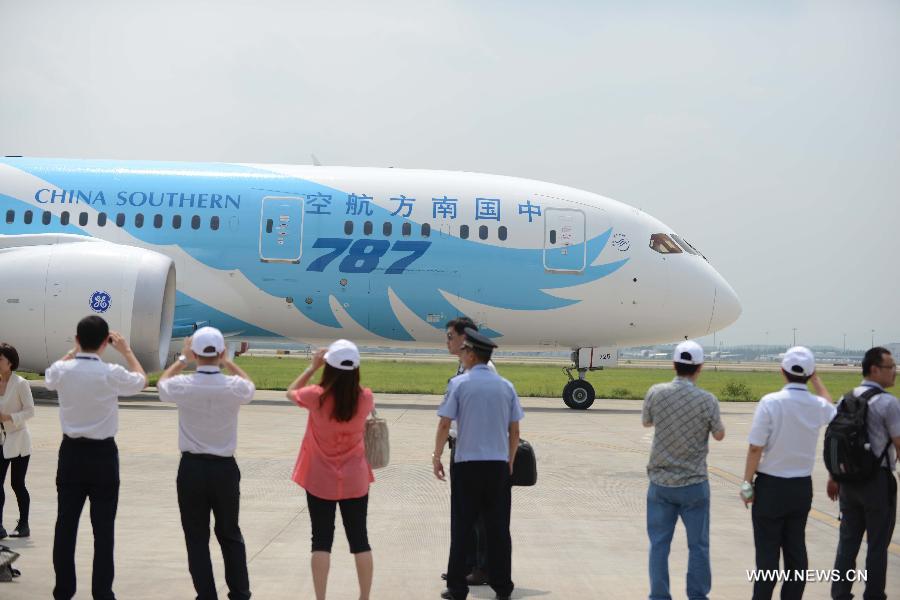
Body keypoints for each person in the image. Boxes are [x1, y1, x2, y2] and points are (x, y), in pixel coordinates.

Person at [44, 315, 146, 600]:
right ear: (106, 342)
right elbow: (140, 380)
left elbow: (50, 374)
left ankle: (64, 590)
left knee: (65, 525)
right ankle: (102, 592)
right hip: (103, 455)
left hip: (71, 454)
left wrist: (73, 351)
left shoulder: (63, 370)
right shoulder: (111, 371)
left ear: (77, 339)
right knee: (103, 530)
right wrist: (125, 351)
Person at [157, 327, 255, 600]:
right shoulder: (233, 386)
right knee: (230, 533)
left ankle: (207, 594)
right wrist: (228, 362)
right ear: (221, 352)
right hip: (224, 469)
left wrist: (182, 360)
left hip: (192, 469)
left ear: (194, 352)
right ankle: (240, 592)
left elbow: (162, 386)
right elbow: (249, 387)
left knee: (196, 538)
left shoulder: (184, 384)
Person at [433, 328, 522, 600]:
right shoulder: (506, 386)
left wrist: (436, 456)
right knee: (498, 529)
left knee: (462, 528)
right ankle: (503, 587)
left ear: (471, 354)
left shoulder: (459, 384)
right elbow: (514, 430)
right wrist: (510, 460)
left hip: (467, 464)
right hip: (497, 466)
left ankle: (458, 588)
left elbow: (445, 423)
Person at [741, 346, 835, 600]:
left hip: (770, 488)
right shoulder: (816, 405)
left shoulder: (771, 403)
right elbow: (831, 409)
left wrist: (746, 483)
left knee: (767, 559)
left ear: (782, 371)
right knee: (796, 553)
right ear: (810, 372)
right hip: (800, 489)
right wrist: (816, 379)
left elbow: (755, 447)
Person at [286, 339, 375, 600]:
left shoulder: (316, 396)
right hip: (355, 479)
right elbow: (352, 389)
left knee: (321, 541)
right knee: (360, 541)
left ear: (329, 367)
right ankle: (364, 597)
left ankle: (321, 597)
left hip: (320, 478)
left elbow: (291, 392)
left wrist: (312, 367)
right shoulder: (365, 398)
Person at [642, 340, 725, 600]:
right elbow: (719, 434)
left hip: (661, 481)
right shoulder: (706, 400)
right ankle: (697, 595)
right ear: (699, 368)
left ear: (673, 365)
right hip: (694, 484)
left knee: (659, 544)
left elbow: (647, 422)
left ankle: (659, 595)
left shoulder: (656, 392)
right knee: (698, 546)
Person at [828, 347, 900, 600]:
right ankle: (873, 594)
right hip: (877, 482)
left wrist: (834, 477)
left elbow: (838, 442)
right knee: (877, 545)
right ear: (874, 369)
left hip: (848, 483)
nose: (895, 372)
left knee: (847, 543)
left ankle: (840, 593)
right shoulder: (889, 403)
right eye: (891, 367)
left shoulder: (845, 399)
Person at [442, 317, 495, 590]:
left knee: (476, 517)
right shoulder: (465, 366)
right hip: (461, 448)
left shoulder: (483, 369)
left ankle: (481, 568)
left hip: (473, 451)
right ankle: (463, 564)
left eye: (451, 335)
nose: (447, 340)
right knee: (462, 514)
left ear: (466, 339)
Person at [0, 343, 35, 539]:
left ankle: (24, 525)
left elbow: (30, 411)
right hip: (1, 440)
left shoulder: (21, 383)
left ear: (10, 363)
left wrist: (10, 417)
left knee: (17, 484)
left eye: (0, 359)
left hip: (19, 440)